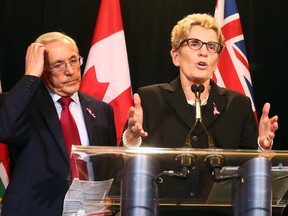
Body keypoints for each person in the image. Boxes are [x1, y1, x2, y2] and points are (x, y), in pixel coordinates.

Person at [122, 13, 279, 215]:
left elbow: (249, 170)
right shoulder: (151, 98)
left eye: (212, 46)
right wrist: (133, 137)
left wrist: (261, 147)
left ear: (216, 60)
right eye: (195, 44)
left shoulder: (237, 104)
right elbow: (129, 165)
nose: (204, 52)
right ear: (176, 56)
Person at [0, 32, 116, 216]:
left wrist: (107, 201)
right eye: (58, 65)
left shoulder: (102, 110)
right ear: (43, 69)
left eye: (73, 60)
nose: (69, 70)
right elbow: (5, 130)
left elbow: (107, 167)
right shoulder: (24, 105)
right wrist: (31, 75)